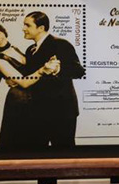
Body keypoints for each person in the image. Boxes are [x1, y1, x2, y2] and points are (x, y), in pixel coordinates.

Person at [0, 22, 60, 149]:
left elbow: (29, 69)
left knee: (36, 139)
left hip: (33, 98)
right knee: (20, 140)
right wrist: (42, 70)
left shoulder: (13, 48)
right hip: (20, 101)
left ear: (3, 31)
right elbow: (25, 83)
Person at [20, 11, 86, 148]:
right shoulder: (29, 50)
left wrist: (57, 69)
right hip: (37, 112)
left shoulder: (61, 44)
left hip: (61, 113)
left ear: (41, 28)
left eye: (27, 25)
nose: (23, 28)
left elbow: (78, 71)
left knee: (64, 153)